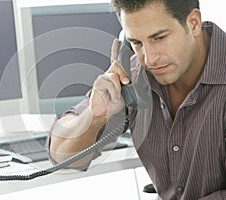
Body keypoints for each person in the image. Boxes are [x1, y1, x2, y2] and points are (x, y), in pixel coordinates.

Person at [46, 0, 226, 199]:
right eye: (137, 43)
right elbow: (62, 157)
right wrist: (94, 117)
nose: (149, 59)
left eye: (159, 38)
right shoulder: (134, 76)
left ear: (193, 23)